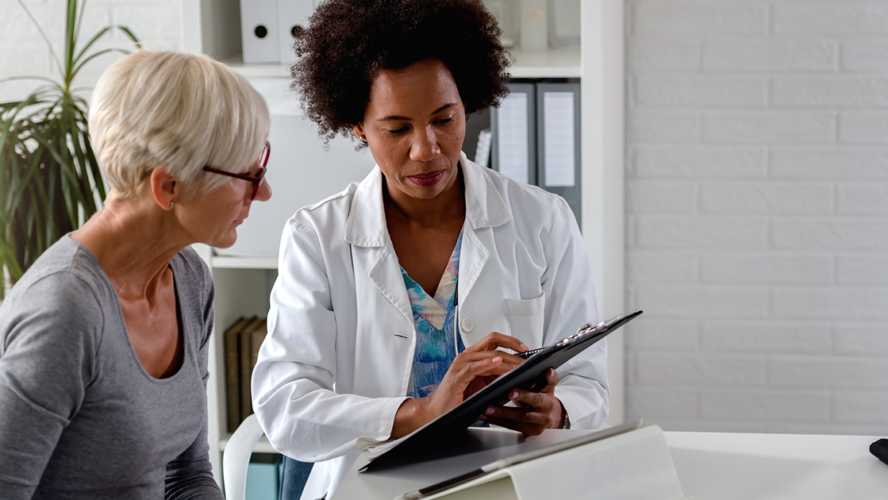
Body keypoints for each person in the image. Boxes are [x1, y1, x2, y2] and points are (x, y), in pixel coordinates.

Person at [251, 1, 608, 498]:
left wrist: (559, 410)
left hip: (514, 483)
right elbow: (285, 406)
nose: (427, 149)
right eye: (397, 129)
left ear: (469, 101)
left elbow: (589, 384)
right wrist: (416, 413)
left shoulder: (543, 221)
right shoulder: (317, 238)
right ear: (356, 125)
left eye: (444, 118)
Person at [0, 50, 272, 499]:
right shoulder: (64, 313)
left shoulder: (188, 279)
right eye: (247, 174)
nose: (262, 192)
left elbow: (186, 476)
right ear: (168, 186)